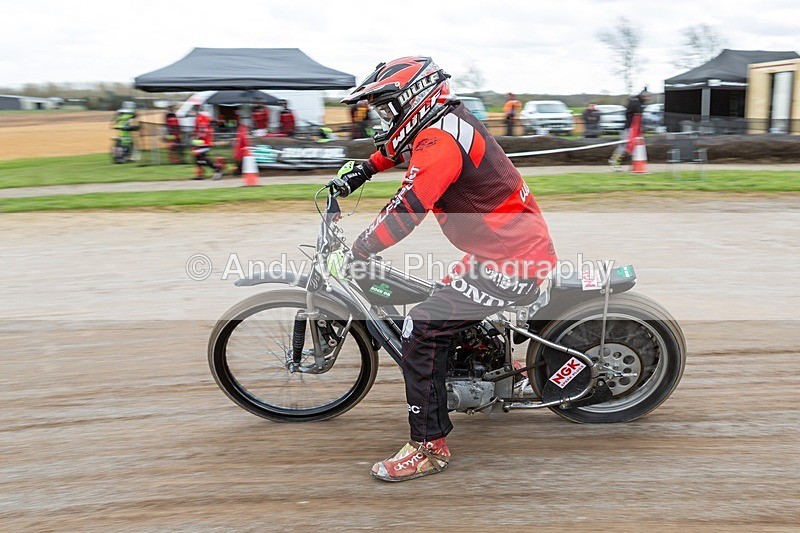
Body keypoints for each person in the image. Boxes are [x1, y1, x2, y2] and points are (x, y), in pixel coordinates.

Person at [330, 56, 557, 482]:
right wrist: (364, 170)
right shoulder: (445, 118)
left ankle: (428, 447)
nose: (384, 118)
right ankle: (506, 371)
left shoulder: (438, 142)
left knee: (421, 327)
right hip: (503, 246)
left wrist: (360, 250)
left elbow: (407, 209)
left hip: (512, 258)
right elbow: (399, 147)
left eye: (388, 109)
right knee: (439, 299)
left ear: (413, 99)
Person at [609, 88, 648, 170]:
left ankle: (635, 165)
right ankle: (614, 161)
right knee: (623, 146)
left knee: (636, 147)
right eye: (645, 97)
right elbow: (638, 112)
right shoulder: (635, 102)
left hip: (635, 129)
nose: (646, 98)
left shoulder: (638, 103)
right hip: (629, 129)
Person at [191, 104, 223, 180]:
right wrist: (195, 140)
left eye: (196, 108)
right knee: (198, 158)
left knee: (201, 157)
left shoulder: (203, 117)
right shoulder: (198, 118)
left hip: (205, 141)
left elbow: (204, 130)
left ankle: (217, 169)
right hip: (200, 141)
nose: (194, 110)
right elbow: (197, 130)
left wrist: (198, 139)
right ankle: (200, 174)